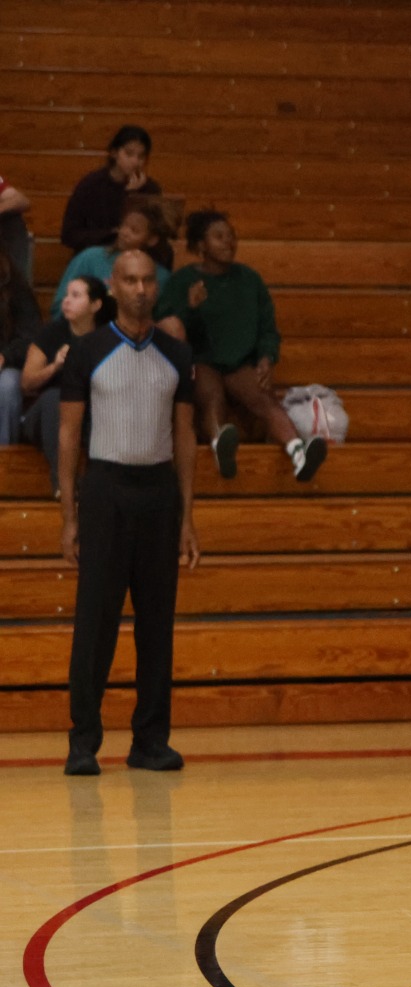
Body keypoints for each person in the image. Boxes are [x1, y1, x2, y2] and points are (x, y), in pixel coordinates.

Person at [59, 250, 200, 777]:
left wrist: (187, 516)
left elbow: (185, 438)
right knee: (95, 620)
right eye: (130, 280)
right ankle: (83, 741)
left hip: (159, 492)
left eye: (148, 280)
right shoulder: (86, 351)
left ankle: (150, 740)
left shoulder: (177, 354)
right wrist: (68, 514)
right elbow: (70, 434)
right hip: (106, 491)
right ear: (113, 287)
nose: (141, 289)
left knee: (157, 623)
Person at [155, 210, 326, 483]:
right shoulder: (183, 280)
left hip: (238, 362)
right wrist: (191, 308)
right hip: (202, 359)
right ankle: (219, 443)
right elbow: (167, 326)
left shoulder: (250, 279)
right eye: (219, 237)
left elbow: (268, 328)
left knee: (263, 398)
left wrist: (266, 357)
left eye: (231, 236)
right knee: (211, 394)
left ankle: (298, 452)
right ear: (201, 245)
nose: (228, 242)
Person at [18, 276, 109, 495]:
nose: (66, 301)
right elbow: (26, 384)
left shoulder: (107, 337)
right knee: (54, 398)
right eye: (67, 295)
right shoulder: (51, 333)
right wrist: (55, 366)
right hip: (45, 417)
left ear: (96, 305)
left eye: (75, 296)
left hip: (90, 415)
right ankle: (64, 485)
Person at [61, 126, 168, 264]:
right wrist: (111, 233)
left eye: (141, 156)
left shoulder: (150, 189)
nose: (135, 162)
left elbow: (157, 235)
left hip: (136, 257)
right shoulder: (91, 185)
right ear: (114, 153)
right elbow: (69, 235)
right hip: (99, 253)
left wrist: (134, 196)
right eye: (129, 154)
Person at [51, 199, 170, 318]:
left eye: (134, 230)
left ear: (152, 240)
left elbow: (160, 318)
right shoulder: (90, 257)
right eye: (124, 226)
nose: (124, 233)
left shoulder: (161, 275)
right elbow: (59, 305)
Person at [0, 248, 38, 445]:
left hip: (4, 366)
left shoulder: (11, 279)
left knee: (8, 384)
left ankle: (3, 463)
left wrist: (5, 356)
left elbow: (30, 334)